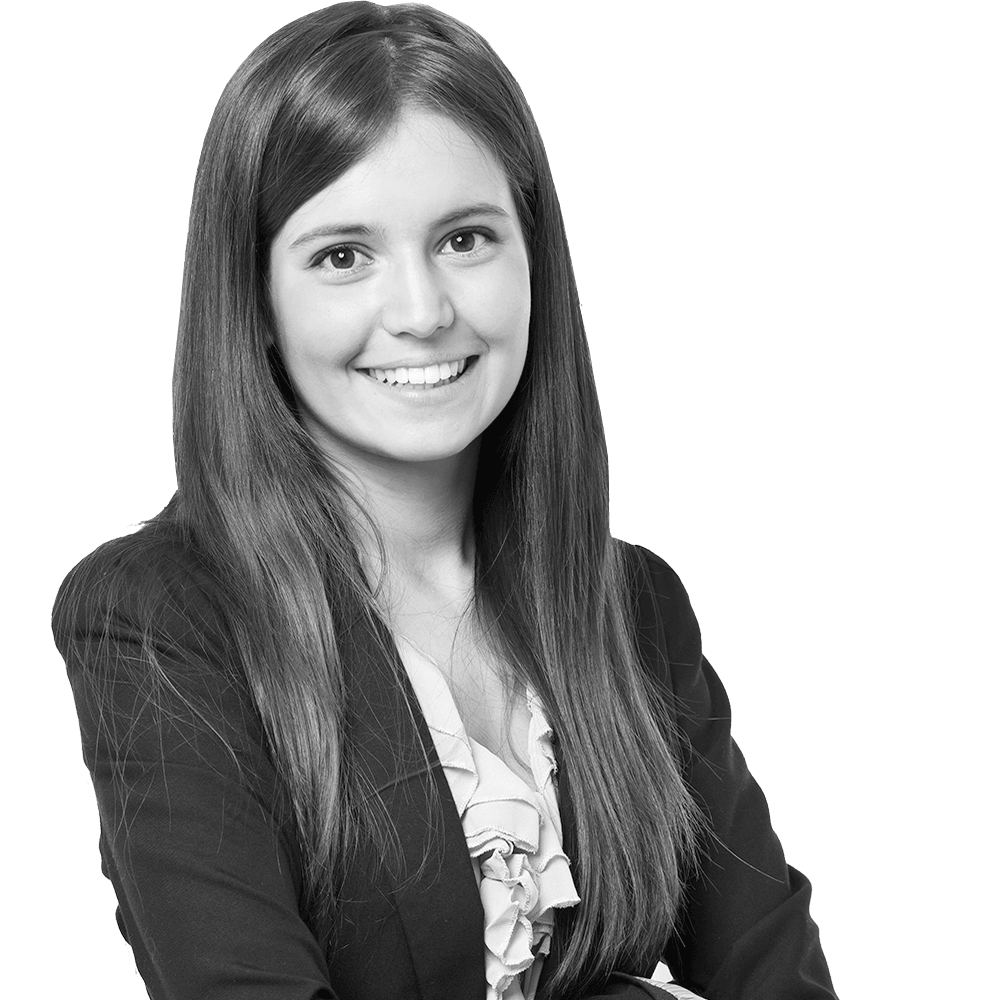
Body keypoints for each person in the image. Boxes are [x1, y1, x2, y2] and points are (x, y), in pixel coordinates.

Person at [50, 5, 837, 999]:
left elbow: (778, 976)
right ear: (254, 302)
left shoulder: (633, 602)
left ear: (533, 259)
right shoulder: (161, 613)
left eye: (465, 239)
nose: (422, 313)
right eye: (343, 255)